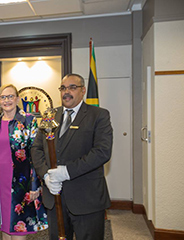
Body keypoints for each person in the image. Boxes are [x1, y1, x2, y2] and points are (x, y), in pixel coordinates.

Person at [31, 73, 113, 240]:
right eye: (63, 88)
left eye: (72, 87)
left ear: (83, 91)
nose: (66, 92)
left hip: (87, 198)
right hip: (55, 197)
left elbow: (102, 152)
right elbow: (37, 148)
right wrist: (46, 174)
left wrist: (67, 172)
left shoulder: (99, 115)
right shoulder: (50, 116)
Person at [0, 84, 48, 240]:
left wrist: (35, 185)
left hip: (21, 182)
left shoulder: (29, 120)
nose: (7, 100)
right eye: (3, 97)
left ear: (17, 99)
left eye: (10, 96)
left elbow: (35, 154)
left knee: (18, 228)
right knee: (4, 226)